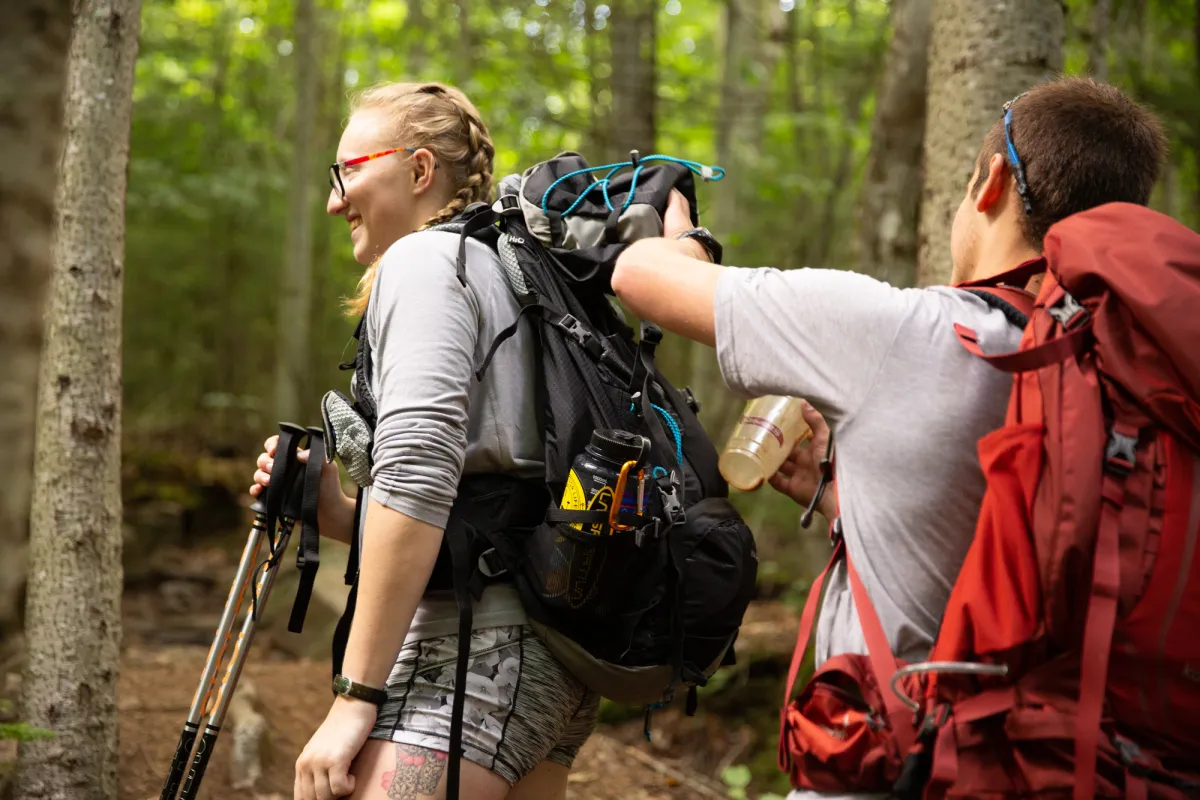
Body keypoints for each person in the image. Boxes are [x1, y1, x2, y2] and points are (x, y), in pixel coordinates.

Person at [609, 76, 1167, 797]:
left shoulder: (904, 333)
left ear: (991, 182)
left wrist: (677, 220)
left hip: (908, 769)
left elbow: (639, 275)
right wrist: (845, 497)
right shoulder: (1122, 382)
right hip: (1069, 767)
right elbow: (1027, 552)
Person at [250, 81, 598, 800]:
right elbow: (488, 485)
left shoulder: (424, 263)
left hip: (474, 655)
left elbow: (416, 470)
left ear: (416, 171)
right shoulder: (508, 266)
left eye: (347, 171)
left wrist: (355, 696)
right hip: (543, 653)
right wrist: (338, 513)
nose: (333, 199)